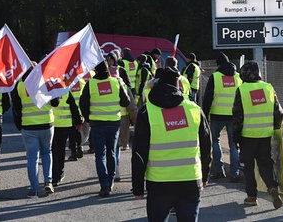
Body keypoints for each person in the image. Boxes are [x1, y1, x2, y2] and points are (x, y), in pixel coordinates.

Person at [132, 67, 211, 222]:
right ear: (179, 86)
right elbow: (207, 147)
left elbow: (139, 153)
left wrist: (138, 187)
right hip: (190, 180)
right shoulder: (194, 110)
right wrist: (205, 174)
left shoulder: (146, 112)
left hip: (159, 183)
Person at [233, 61, 283, 209]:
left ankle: (251, 197)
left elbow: (237, 116)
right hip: (265, 134)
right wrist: (275, 128)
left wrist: (235, 136)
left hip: (247, 136)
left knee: (248, 168)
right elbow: (279, 112)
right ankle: (272, 187)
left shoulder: (242, 90)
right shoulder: (268, 87)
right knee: (265, 164)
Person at [79, 60, 130, 197]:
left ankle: (104, 185)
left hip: (97, 124)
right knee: (111, 153)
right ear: (108, 69)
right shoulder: (116, 82)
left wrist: (88, 118)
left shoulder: (91, 84)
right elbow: (126, 102)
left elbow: (82, 103)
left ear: (94, 71)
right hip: (113, 123)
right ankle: (111, 181)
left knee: (100, 155)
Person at [12, 63, 59, 199]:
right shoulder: (45, 82)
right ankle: (48, 182)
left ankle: (34, 189)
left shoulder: (20, 85)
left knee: (32, 157)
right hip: (46, 124)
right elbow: (55, 102)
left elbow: (16, 108)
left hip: (28, 126)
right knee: (47, 152)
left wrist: (19, 125)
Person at [202, 52, 243, 182]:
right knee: (234, 144)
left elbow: (208, 97)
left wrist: (204, 114)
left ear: (218, 64)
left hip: (217, 115)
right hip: (234, 115)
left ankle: (219, 170)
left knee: (215, 141)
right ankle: (235, 173)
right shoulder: (238, 77)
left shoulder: (215, 77)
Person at [51, 91, 83, 186]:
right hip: (64, 125)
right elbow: (73, 107)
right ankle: (59, 173)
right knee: (61, 150)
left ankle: (53, 176)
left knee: (53, 151)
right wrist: (78, 122)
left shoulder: (46, 88)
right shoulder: (65, 90)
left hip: (50, 124)